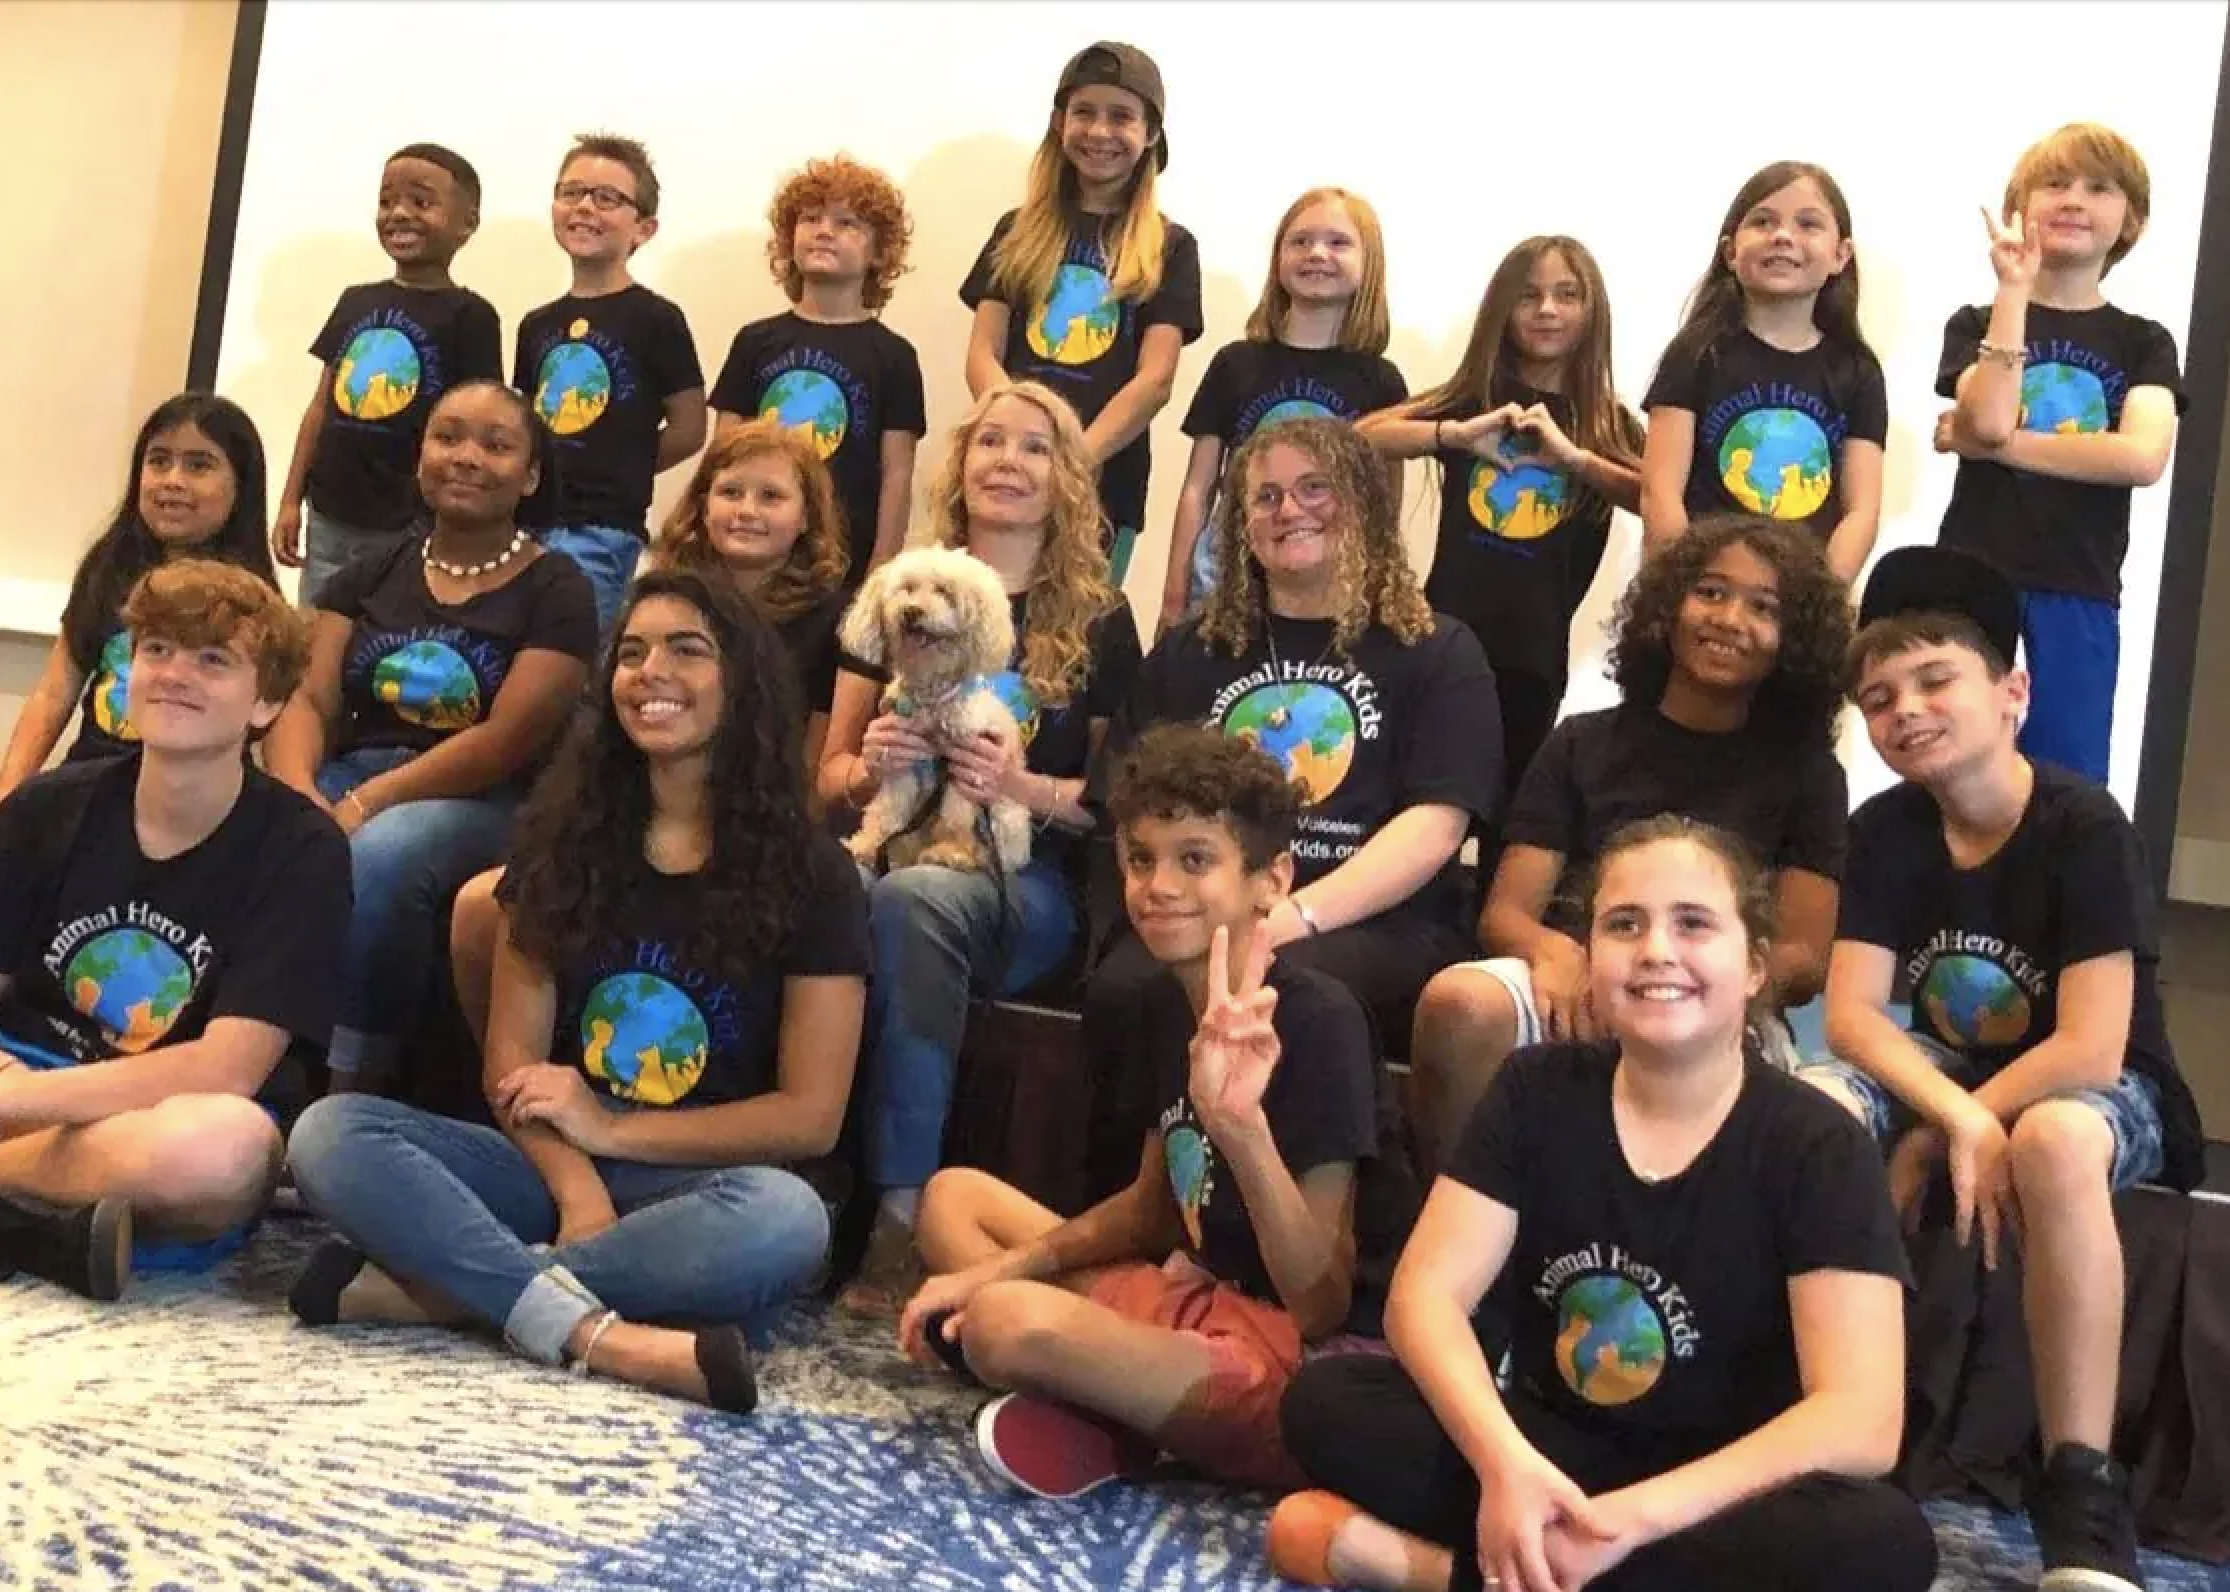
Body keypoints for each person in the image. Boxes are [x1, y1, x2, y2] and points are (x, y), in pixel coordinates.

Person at [1273, 816, 1936, 1592]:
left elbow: (1861, 1419)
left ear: (1755, 966)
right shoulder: (1534, 1090)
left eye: (1693, 924)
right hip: (1555, 1450)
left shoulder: (1818, 1141)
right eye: (1625, 924)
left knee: (1883, 1544)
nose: (1657, 949)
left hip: (1720, 1487)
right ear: (1589, 960)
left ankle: (1437, 1574)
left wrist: (1636, 1521)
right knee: (1327, 1401)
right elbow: (1423, 1301)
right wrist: (1507, 1469)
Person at [286, 570, 863, 1414]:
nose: (650, 671)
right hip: (546, 1168)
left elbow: (808, 1117)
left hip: (698, 1183)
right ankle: (596, 1332)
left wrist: (615, 1128)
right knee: (332, 1131)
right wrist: (577, 1184)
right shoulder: (563, 842)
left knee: (788, 1219)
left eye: (686, 650)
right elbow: (511, 1073)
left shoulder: (815, 873)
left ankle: (437, 1291)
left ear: (742, 683)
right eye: (631, 653)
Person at [1800, 545, 2205, 1592]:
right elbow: (1849, 1017)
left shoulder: (2080, 823)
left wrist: (1950, 1123)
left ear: (2011, 691)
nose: (1907, 711)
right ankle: (1806, 1417)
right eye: (1880, 698)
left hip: (2106, 1084)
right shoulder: (1883, 827)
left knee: (2055, 1135)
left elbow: (2090, 1047)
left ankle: (2081, 1483)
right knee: (1812, 1107)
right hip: (1956, 1072)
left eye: (1935, 680)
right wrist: (1948, 1110)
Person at [897, 725, 1393, 1498]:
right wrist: (1004, 1263)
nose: (1158, 885)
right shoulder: (1163, 1002)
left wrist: (1239, 1127)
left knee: (1005, 1324)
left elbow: (1322, 1301)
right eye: (1140, 859)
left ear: (1272, 879)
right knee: (952, 1201)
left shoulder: (1322, 1020)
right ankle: (1120, 1412)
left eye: (1195, 859)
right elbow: (1154, 1209)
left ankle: (1108, 1404)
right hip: (1194, 1304)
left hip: (1300, 1361)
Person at [1085, 417, 1499, 1197]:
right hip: (1207, 899)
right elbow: (1133, 801)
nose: (1288, 509)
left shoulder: (1438, 651)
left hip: (1369, 920)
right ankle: (1132, 1222)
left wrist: (1290, 917)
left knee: (1294, 988)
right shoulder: (1193, 651)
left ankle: (1320, 1247)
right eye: (1265, 496)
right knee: (1126, 985)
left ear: (1364, 506)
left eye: (1315, 488)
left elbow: (1437, 823)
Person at [816, 379, 1142, 1298]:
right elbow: (830, 779)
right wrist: (866, 764)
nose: (1008, 460)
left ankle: (899, 1210)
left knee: (913, 902)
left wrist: (1019, 784)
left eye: (1035, 447)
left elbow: (1119, 807)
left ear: (1066, 479)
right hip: (893, 849)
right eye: (991, 440)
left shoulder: (1102, 620)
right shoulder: (896, 595)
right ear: (961, 463)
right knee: (863, 894)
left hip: (1030, 880)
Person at [1408, 515, 1851, 1174]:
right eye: (1711, 592)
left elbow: (1802, 959)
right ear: (1668, 607)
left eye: (1764, 608)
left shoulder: (1809, 773)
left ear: (1794, 642)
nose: (1730, 618)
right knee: (1460, 1004)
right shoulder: (1581, 742)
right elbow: (1504, 913)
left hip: (1720, 996)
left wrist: (1681, 982)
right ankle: (1460, 1231)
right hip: (1577, 978)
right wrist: (1556, 951)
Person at [0, 561, 350, 1300]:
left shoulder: (304, 850)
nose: (173, 674)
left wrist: (20, 1106)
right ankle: (34, 1224)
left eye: (213, 660)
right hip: (24, 1067)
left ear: (267, 702)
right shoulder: (47, 805)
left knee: (223, 1152)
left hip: (159, 1110)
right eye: (156, 649)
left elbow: (224, 1071)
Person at [263, 380, 598, 1092]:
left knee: (384, 853)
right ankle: (245, 1064)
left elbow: (506, 739)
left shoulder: (558, 589)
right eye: (448, 437)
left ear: (531, 475)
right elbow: (309, 699)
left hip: (490, 799)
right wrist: (296, 796)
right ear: (421, 455)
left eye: (496, 445)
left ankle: (351, 1086)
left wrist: (364, 806)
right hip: (353, 773)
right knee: (258, 824)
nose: (467, 457)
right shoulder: (370, 571)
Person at [1930, 124, 2183, 786]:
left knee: (2063, 781)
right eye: (2055, 183)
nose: (2074, 199)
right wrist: (2013, 291)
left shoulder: (2142, 342)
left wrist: (1999, 446)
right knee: (1953, 767)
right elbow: (1985, 415)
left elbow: (2141, 458)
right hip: (1969, 582)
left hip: (2079, 590)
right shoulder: (1976, 321)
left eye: (2099, 188)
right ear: (2020, 206)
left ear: (2132, 220)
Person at [1359, 236, 1644, 799]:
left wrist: (1578, 460)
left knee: (1512, 810)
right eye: (1528, 296)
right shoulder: (1475, 400)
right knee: (1418, 797)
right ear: (1502, 310)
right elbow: (1359, 437)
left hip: (1535, 655)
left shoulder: (1606, 424)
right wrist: (1453, 435)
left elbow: (1659, 500)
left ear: (1592, 313)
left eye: (1567, 295)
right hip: (1442, 638)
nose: (1547, 310)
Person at [961, 41, 1204, 585]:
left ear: (1151, 134)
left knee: (1078, 641)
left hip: (1104, 487)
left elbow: (1155, 381)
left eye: (1121, 117)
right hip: (1003, 480)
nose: (1099, 131)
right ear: (1058, 122)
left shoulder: (1171, 247)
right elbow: (983, 352)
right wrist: (1015, 449)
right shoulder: (1015, 230)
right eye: (1084, 112)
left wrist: (1067, 463)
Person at [0, 395, 282, 799]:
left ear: (242, 484)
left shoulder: (251, 600)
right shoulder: (108, 566)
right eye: (158, 460)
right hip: (92, 782)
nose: (173, 479)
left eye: (199, 465)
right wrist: (9, 794)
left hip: (190, 797)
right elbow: (54, 692)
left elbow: (272, 732)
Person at [1161, 188, 1406, 633]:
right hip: (1224, 573)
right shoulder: (1235, 363)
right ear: (1277, 259)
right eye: (1300, 241)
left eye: (1338, 242)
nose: (1316, 253)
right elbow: (1198, 489)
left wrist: (1377, 592)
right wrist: (1174, 596)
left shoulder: (1381, 380)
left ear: (1369, 264)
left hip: (1330, 581)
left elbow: (1384, 504)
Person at [271, 143, 503, 606]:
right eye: (386, 201)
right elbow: (322, 405)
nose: (399, 214)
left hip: (408, 519)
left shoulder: (470, 315)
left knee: (385, 626)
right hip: (332, 510)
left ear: (467, 224)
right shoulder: (356, 300)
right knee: (317, 629)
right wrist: (289, 500)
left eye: (421, 202)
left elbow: (475, 422)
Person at [1640, 161, 1887, 585]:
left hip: (1799, 595)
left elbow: (1861, 512)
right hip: (1703, 588)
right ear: (1730, 251)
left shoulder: (1858, 372)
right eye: (1762, 221)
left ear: (1840, 255)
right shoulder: (1695, 354)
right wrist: (1681, 589)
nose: (1783, 236)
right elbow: (1660, 493)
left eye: (1808, 224)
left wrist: (1818, 598)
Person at [515, 132, 708, 634]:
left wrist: (620, 463)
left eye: (607, 198)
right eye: (571, 192)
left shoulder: (656, 318)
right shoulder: (536, 325)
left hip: (602, 529)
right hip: (527, 523)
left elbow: (689, 428)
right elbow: (525, 421)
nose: (585, 207)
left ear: (643, 227)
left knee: (578, 655)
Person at [709, 153, 925, 586]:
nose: (825, 231)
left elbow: (897, 475)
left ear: (880, 252)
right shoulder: (755, 341)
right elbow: (722, 455)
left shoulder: (894, 356)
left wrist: (881, 572)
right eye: (810, 219)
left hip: (843, 566)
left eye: (847, 223)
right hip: (755, 557)